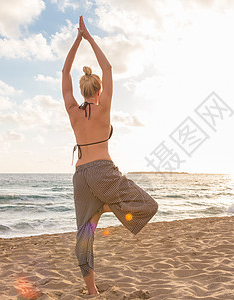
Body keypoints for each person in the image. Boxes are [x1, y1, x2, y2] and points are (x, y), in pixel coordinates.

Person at [62, 16, 158, 295]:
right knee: (147, 205)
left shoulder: (72, 110)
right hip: (102, 171)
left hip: (80, 176)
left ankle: (92, 292)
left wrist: (76, 40)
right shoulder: (104, 110)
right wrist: (89, 37)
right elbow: (108, 67)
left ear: (81, 90)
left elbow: (65, 71)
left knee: (83, 238)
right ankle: (104, 209)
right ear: (99, 90)